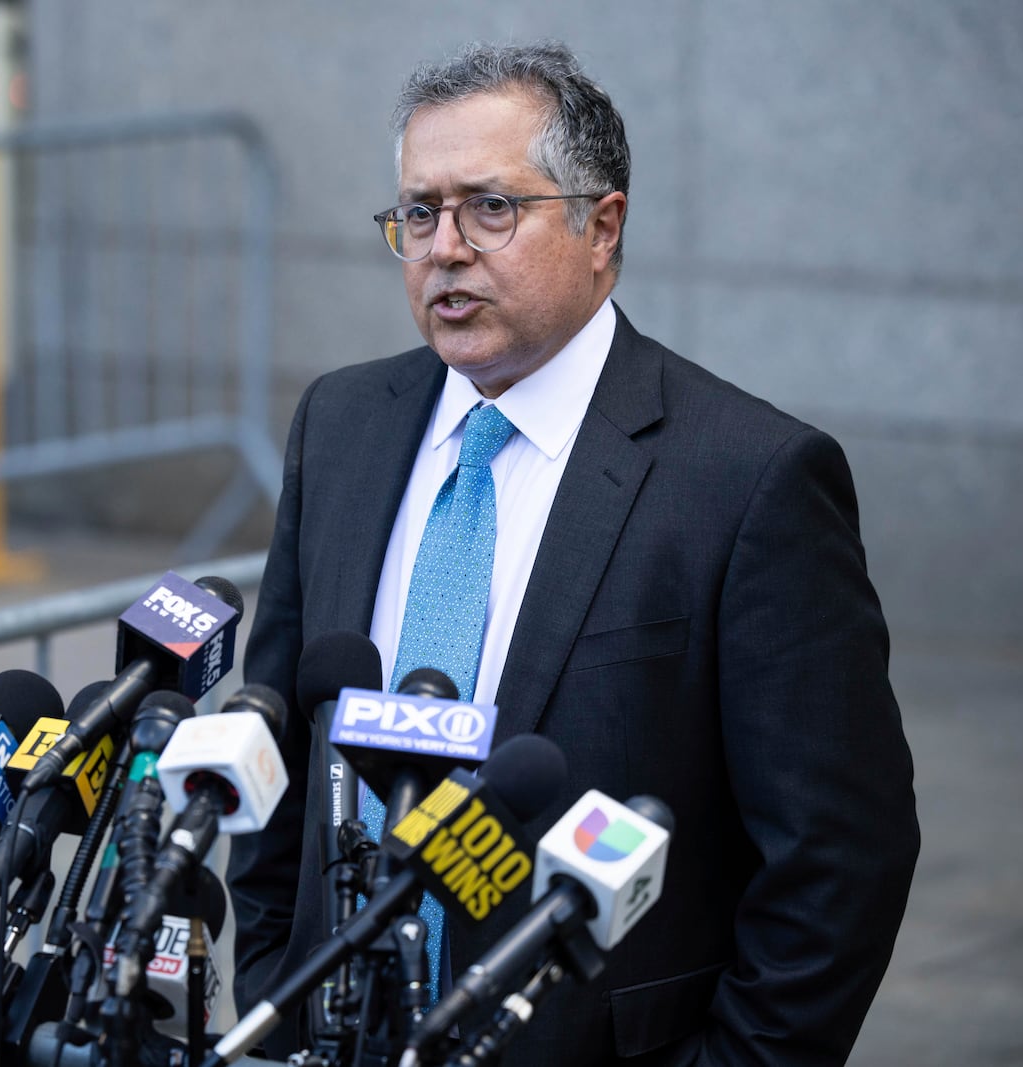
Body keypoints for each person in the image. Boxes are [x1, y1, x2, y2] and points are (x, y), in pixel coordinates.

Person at [226, 40, 920, 1066]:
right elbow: (280, 739)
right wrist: (274, 982)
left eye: (490, 208)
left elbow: (839, 856)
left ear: (603, 225)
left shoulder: (750, 479)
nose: (444, 248)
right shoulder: (341, 424)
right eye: (417, 213)